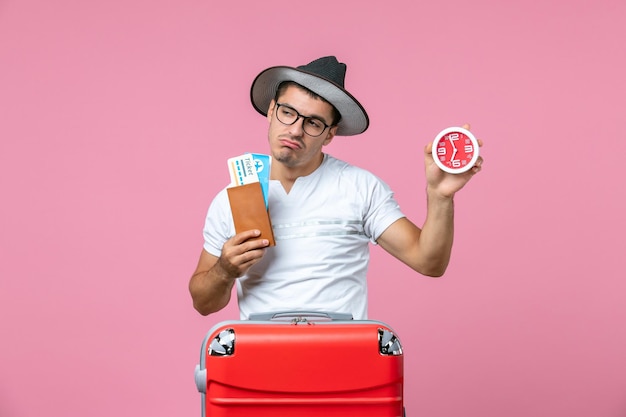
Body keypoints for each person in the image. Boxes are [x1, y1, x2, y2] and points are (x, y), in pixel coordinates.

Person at [189, 56, 483, 320]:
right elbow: (203, 303)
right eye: (288, 112)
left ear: (329, 135)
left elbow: (429, 262)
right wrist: (225, 270)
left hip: (344, 363)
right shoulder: (232, 198)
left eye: (313, 123)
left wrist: (440, 196)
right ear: (271, 111)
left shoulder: (360, 187)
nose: (295, 130)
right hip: (261, 363)